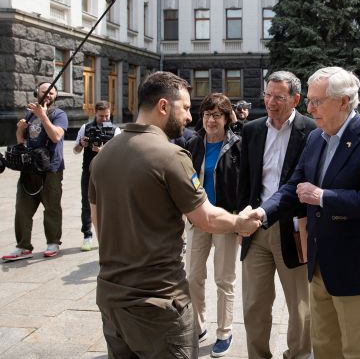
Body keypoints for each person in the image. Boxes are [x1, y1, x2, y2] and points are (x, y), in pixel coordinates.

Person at [88, 71, 263, 358]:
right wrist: (239, 222)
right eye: (184, 107)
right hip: (158, 304)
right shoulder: (171, 156)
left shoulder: (104, 155)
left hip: (111, 298)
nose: (190, 118)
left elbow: (98, 223)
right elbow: (205, 217)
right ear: (163, 106)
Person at [257, 66, 360, 359]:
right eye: (309, 100)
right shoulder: (316, 138)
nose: (309, 108)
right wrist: (261, 213)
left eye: (317, 101)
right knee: (324, 349)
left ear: (344, 101)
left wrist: (323, 197)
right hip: (319, 265)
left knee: (357, 352)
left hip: (359, 269)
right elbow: (293, 185)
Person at [237, 71, 316, 359]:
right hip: (256, 229)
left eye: (279, 97)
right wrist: (240, 220)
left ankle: (298, 355)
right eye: (267, 95)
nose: (271, 102)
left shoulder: (311, 131)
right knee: (254, 303)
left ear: (295, 99)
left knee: (301, 305)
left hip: (294, 229)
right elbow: (244, 180)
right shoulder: (253, 129)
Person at [184, 93, 241, 357]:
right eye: (206, 114)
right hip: (197, 219)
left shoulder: (237, 145)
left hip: (226, 219)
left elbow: (245, 184)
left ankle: (224, 331)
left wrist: (240, 220)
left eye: (216, 115)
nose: (210, 120)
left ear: (227, 117)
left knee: (224, 279)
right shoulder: (194, 143)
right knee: (194, 276)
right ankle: (198, 326)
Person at [2, 82, 68, 261]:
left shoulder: (59, 114)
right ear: (36, 93)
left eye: (51, 92)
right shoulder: (29, 114)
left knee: (52, 207)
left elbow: (55, 136)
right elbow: (21, 142)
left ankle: (53, 242)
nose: (48, 95)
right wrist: (20, 130)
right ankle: (23, 246)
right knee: (22, 208)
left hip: (51, 169)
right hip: (29, 168)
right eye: (44, 91)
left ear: (55, 96)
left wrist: (43, 116)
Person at [73, 100, 120, 251]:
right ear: (95, 113)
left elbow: (119, 154)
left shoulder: (115, 130)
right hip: (88, 172)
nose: (105, 119)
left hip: (109, 174)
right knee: (86, 204)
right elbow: (75, 150)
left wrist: (103, 150)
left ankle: (110, 235)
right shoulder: (85, 128)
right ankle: (87, 235)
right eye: (101, 116)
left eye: (107, 116)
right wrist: (81, 144)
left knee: (110, 204)